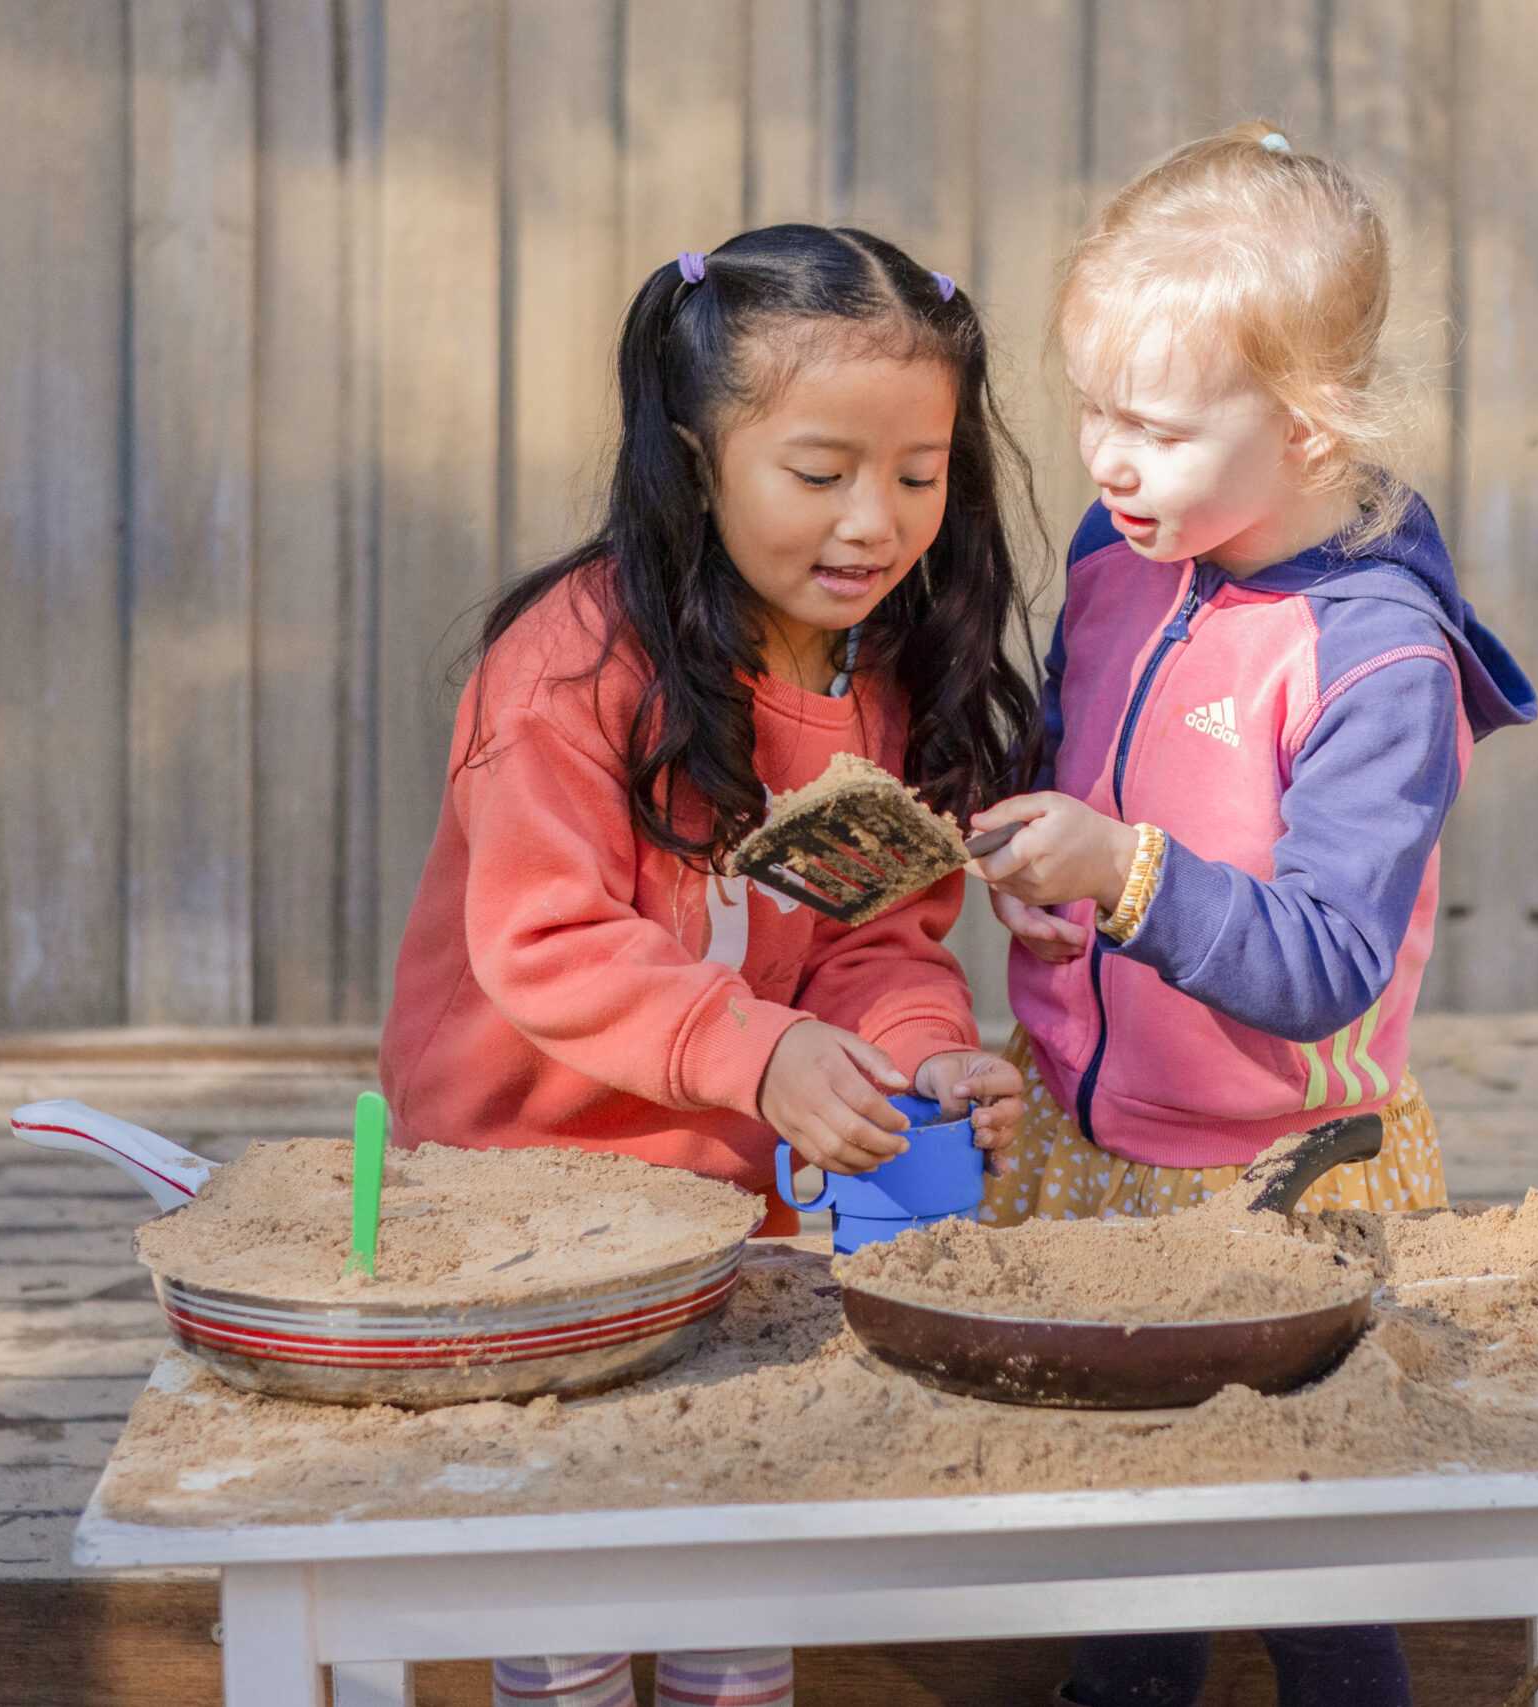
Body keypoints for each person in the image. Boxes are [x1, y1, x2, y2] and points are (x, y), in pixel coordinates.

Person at [379, 223, 1042, 1707]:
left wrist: (921, 1048)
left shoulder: (866, 673)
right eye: (820, 475)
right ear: (695, 459)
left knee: (735, 1576)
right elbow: (541, 942)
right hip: (526, 1216)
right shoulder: (567, 668)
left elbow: (873, 935)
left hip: (727, 1223)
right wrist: (757, 1051)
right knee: (572, 1579)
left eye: (919, 476)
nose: (874, 523)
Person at [967, 124, 1538, 1707]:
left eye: (1150, 426)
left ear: (1305, 430)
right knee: (1132, 1534)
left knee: (1306, 1558)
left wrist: (1119, 872)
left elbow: (1333, 965)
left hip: (1281, 1176)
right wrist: (1013, 832)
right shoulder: (1123, 555)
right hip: (1097, 1147)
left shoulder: (1375, 662)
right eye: (1091, 409)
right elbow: (1079, 743)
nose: (1104, 459)